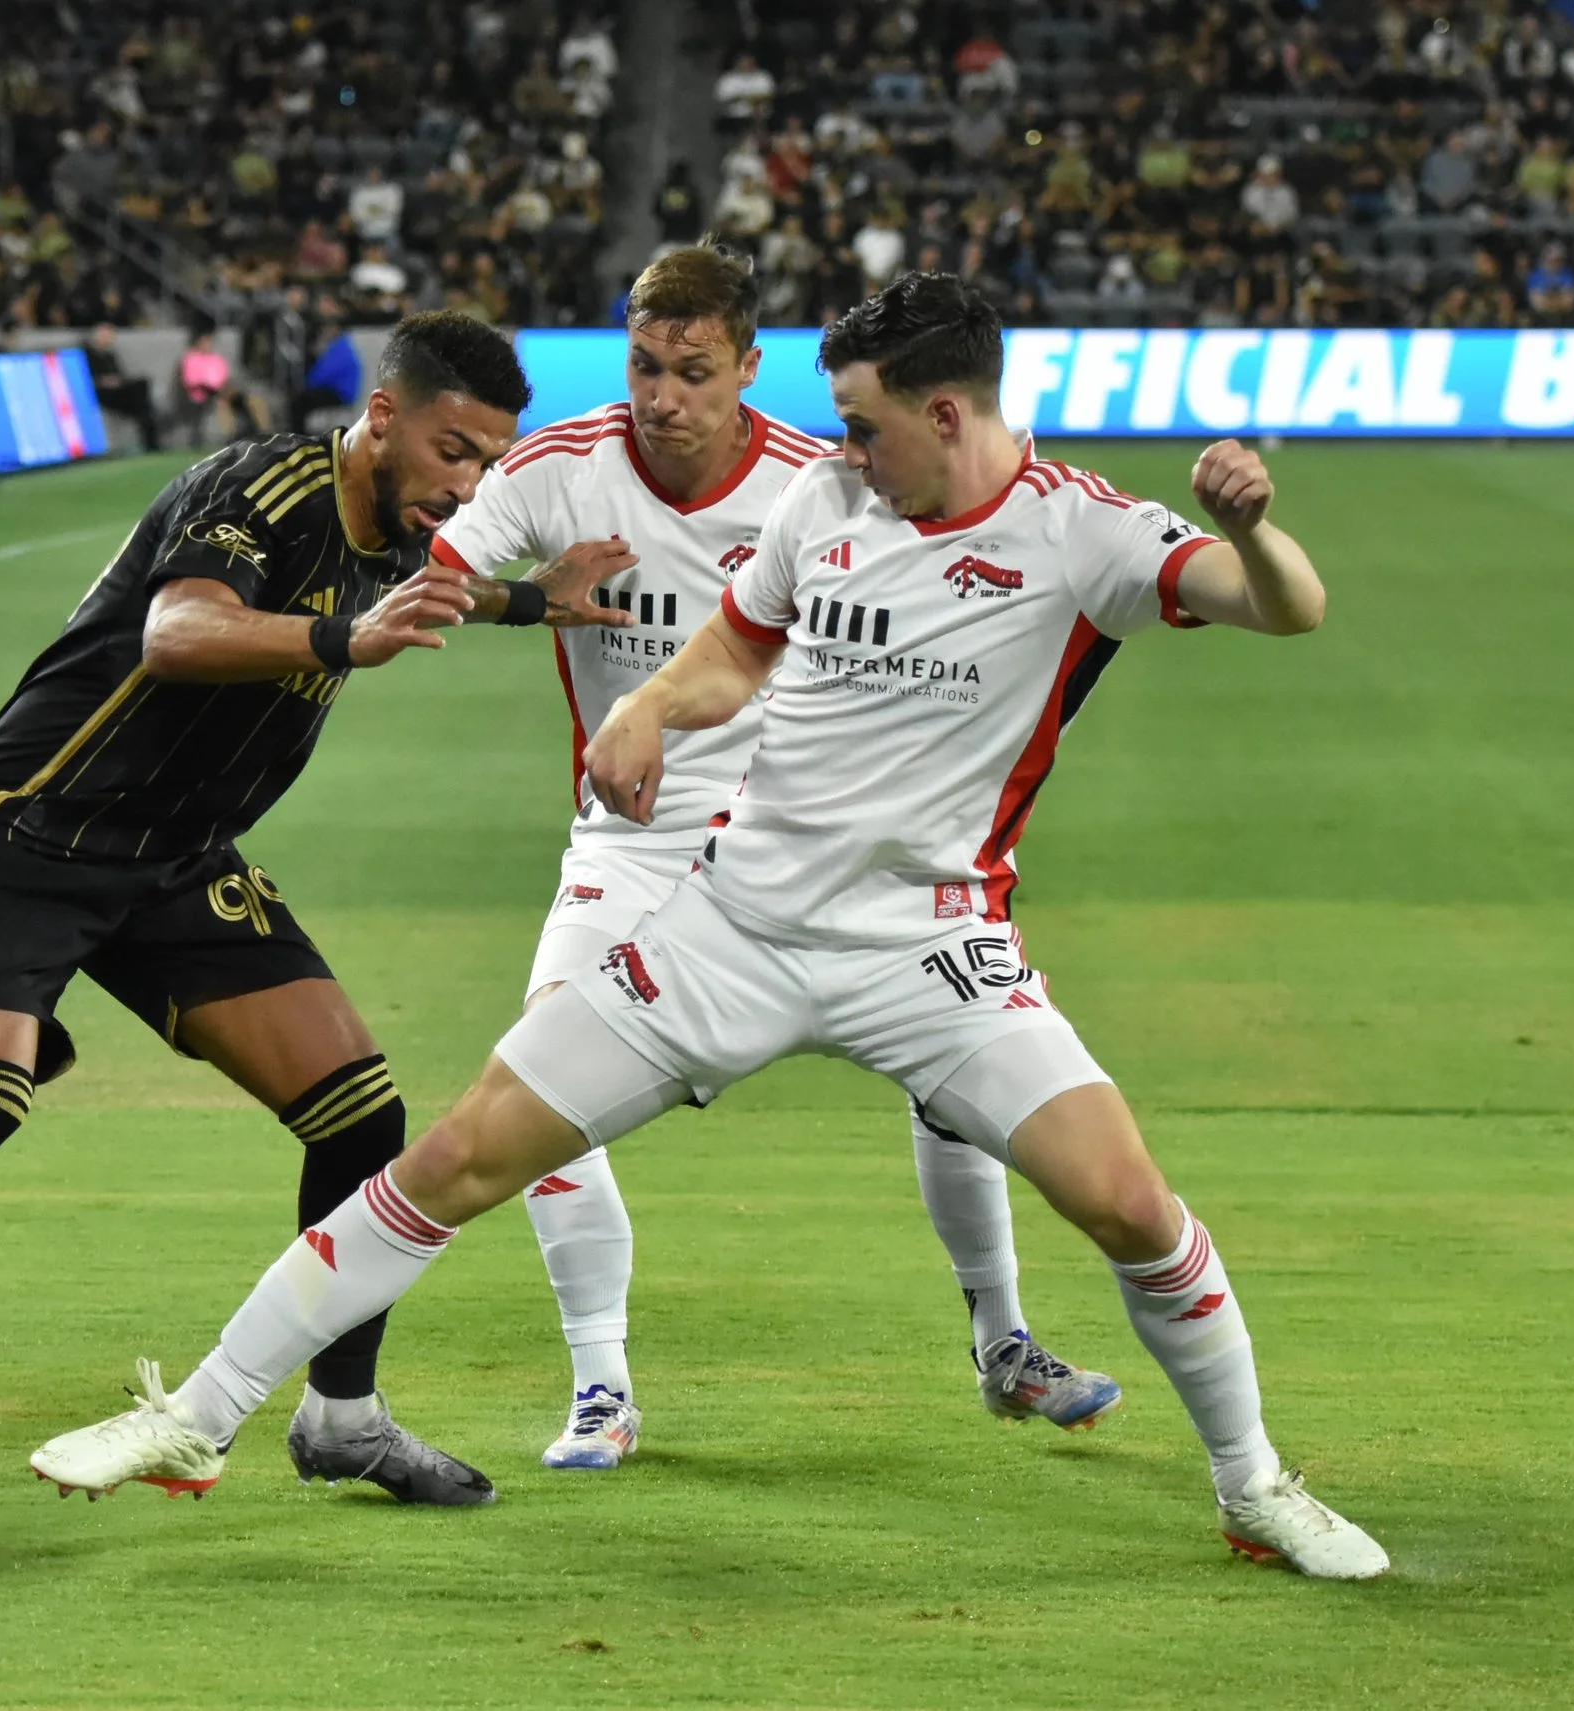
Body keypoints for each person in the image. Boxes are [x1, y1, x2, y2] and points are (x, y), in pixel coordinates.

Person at [30, 272, 1390, 1582]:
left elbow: (1290, 607)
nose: (841, 449)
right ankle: (199, 1415)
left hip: (931, 952)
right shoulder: (828, 499)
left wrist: (1253, 529)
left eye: (862, 423)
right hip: (731, 927)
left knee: (1132, 1206)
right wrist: (646, 706)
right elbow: (737, 647)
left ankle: (1254, 1485)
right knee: (458, 1156)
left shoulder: (1081, 531)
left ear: (946, 414)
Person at [0, 313, 632, 1513]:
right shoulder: (259, 489)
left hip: (174, 864)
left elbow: (428, 589)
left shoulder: (398, 523)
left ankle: (342, 1418)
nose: (468, 483)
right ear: (382, 417)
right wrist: (343, 638)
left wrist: (531, 601)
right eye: (453, 450)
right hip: (30, 832)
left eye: (487, 460)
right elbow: (176, 633)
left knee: (361, 1116)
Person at [427, 243, 1119, 1473]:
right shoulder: (558, 472)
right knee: (541, 1075)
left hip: (802, 843)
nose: (662, 397)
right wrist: (526, 598)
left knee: (954, 1079)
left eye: (692, 372)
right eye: (644, 367)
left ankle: (1003, 1341)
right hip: (629, 842)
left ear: (748, 366)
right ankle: (599, 1387)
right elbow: (420, 584)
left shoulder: (828, 484)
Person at [85, 323, 160, 452]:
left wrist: (117, 381)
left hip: (118, 392)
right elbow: (86, 379)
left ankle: (150, 433)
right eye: (104, 335)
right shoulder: (88, 356)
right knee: (142, 404)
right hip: (101, 394)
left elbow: (119, 375)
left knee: (142, 384)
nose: (107, 339)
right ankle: (149, 429)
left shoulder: (110, 356)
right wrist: (105, 381)